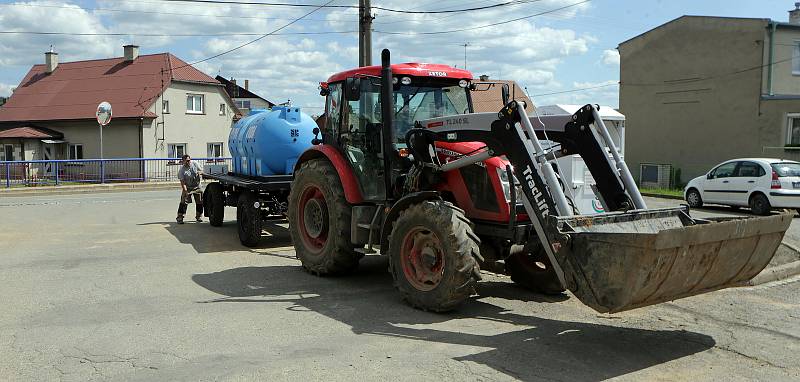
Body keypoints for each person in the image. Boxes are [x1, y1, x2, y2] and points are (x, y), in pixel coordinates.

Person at [176, 154, 203, 224]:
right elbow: (183, 182)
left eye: (189, 160)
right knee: (184, 202)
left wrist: (199, 173)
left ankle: (199, 216)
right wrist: (186, 192)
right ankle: (180, 217)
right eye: (186, 161)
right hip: (188, 187)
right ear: (183, 161)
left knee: (200, 201)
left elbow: (202, 171)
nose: (188, 162)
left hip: (197, 186)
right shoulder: (182, 170)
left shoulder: (195, 163)